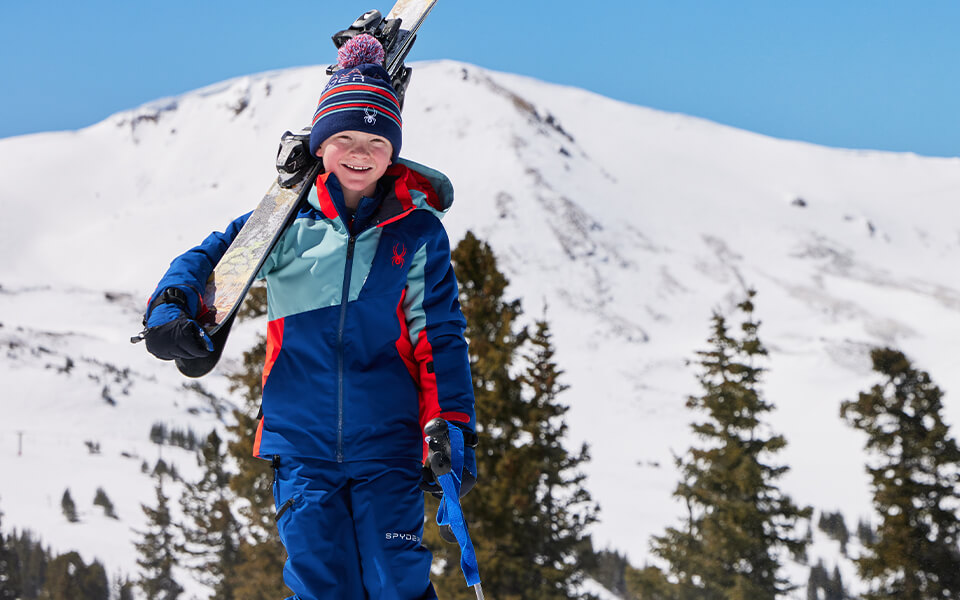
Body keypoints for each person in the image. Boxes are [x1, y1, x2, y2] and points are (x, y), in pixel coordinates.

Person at [140, 34, 477, 600]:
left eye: (375, 139)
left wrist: (451, 426)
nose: (359, 151)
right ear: (320, 146)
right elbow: (209, 259)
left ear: (393, 151)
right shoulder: (283, 224)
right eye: (343, 136)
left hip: (388, 445)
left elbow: (438, 338)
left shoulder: (418, 233)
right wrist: (171, 305)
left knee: (394, 577)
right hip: (301, 447)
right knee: (321, 582)